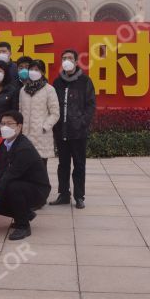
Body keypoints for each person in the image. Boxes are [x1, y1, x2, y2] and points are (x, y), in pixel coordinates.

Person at [0, 110, 51, 240]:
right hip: (23, 182)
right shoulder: (8, 143)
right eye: (2, 124)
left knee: (12, 187)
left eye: (9, 124)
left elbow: (11, 175)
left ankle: (23, 226)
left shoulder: (24, 148)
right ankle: (25, 214)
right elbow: (8, 167)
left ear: (19, 126)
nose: (4, 127)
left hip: (37, 190)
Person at [50, 49, 97, 209]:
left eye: (70, 58)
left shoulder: (85, 81)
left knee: (79, 164)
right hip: (60, 131)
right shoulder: (57, 82)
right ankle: (63, 194)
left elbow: (91, 104)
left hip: (78, 132)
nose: (66, 60)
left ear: (76, 62)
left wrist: (82, 122)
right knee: (63, 165)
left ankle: (79, 196)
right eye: (64, 58)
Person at [19, 59, 60, 175]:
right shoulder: (23, 90)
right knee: (26, 167)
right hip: (25, 135)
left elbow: (55, 113)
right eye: (31, 69)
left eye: (36, 70)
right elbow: (20, 111)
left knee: (41, 167)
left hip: (41, 136)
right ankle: (28, 191)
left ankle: (41, 191)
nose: (33, 72)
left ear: (42, 72)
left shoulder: (49, 89)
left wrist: (44, 126)